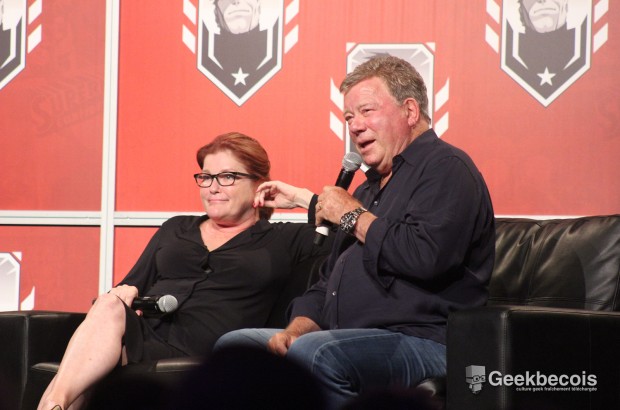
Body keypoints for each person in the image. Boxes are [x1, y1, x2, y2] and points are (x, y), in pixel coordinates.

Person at [215, 55, 496, 409]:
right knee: (236, 348)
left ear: (410, 111)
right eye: (349, 117)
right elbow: (327, 283)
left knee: (317, 352)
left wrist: (351, 215)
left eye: (366, 111)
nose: (355, 126)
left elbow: (424, 257)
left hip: (424, 339)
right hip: (346, 336)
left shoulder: (446, 168)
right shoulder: (368, 189)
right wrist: (295, 330)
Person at [37, 132, 330, 410]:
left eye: (227, 177)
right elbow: (128, 287)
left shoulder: (286, 239)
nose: (213, 187)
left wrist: (302, 199)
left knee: (90, 370)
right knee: (107, 309)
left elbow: (349, 236)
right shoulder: (176, 228)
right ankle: (52, 405)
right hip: (145, 340)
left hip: (213, 351)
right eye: (206, 177)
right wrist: (122, 292)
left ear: (259, 183)